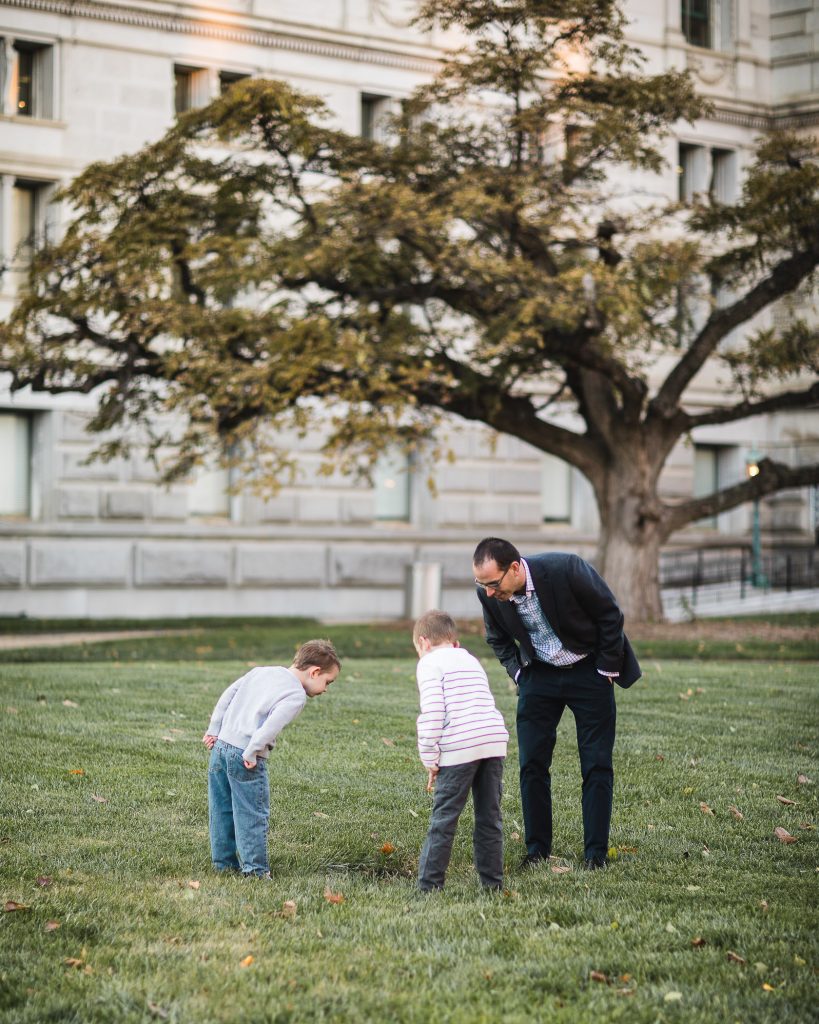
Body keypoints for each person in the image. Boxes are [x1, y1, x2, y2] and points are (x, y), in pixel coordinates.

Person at [471, 538, 641, 871]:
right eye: (482, 585)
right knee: (532, 763)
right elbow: (497, 638)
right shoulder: (489, 595)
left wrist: (606, 667)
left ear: (515, 568)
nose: (489, 592)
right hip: (539, 677)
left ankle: (595, 854)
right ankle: (537, 850)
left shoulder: (566, 569)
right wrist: (519, 673)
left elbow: (609, 614)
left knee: (596, 763)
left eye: (493, 583)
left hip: (589, 671)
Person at [202, 639, 341, 878]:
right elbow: (271, 725)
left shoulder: (261, 672)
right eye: (327, 682)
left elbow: (228, 694)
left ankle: (223, 864)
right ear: (314, 672)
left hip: (221, 746)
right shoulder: (296, 695)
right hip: (245, 755)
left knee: (221, 808)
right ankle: (255, 870)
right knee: (252, 813)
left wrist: (214, 728)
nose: (326, 688)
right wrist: (253, 750)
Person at [413, 609, 509, 891]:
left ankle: (429, 886)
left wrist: (430, 759)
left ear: (423, 642)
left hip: (459, 747)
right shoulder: (468, 658)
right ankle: (492, 884)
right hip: (492, 741)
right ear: (453, 640)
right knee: (489, 817)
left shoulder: (429, 663)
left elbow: (432, 713)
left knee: (444, 818)